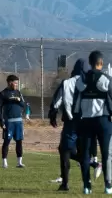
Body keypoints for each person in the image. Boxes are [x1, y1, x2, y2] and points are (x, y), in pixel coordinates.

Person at [48, 58, 102, 191]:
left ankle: (65, 183)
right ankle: (87, 183)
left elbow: (56, 101)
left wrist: (52, 115)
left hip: (71, 122)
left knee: (65, 151)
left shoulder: (66, 83)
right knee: (84, 153)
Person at [63, 51, 112, 194]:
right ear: (101, 63)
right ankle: (108, 185)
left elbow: (75, 104)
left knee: (85, 154)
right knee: (106, 153)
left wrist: (76, 119)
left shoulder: (81, 81)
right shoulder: (106, 79)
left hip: (85, 121)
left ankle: (87, 186)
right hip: (103, 121)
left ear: (90, 63)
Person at [0, 75, 25, 169]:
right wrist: (1, 121)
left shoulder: (18, 92)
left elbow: (23, 104)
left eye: (17, 83)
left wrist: (19, 100)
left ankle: (19, 162)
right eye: (15, 83)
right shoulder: (3, 94)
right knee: (6, 141)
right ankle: (4, 162)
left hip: (19, 122)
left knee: (19, 141)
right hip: (9, 122)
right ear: (9, 82)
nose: (17, 85)